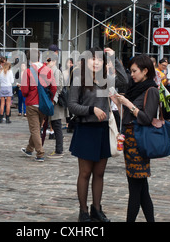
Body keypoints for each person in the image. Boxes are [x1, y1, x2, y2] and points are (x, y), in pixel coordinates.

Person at [68, 47, 127, 222]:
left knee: (99, 173)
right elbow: (71, 105)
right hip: (86, 129)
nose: (96, 62)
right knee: (85, 173)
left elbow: (124, 81)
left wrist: (114, 58)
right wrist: (91, 110)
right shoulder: (79, 79)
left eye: (99, 59)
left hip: (102, 129)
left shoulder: (105, 80)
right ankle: (83, 211)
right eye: (92, 59)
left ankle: (96, 209)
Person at [111, 54, 157, 222]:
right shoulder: (136, 88)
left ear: (145, 71)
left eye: (134, 71)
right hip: (131, 141)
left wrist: (128, 104)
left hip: (139, 142)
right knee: (141, 188)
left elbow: (146, 118)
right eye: (131, 71)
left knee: (135, 189)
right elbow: (130, 115)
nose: (132, 74)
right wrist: (119, 103)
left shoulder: (151, 89)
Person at [20, 48, 57, 162]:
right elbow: (54, 87)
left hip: (32, 103)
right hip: (43, 104)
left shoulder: (28, 71)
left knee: (35, 129)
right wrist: (50, 99)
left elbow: (25, 91)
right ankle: (29, 149)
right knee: (36, 128)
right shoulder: (47, 70)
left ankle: (40, 153)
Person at [46, 44, 65, 159]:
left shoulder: (56, 71)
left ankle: (59, 150)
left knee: (57, 125)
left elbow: (58, 87)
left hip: (55, 102)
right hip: (52, 101)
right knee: (54, 124)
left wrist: (53, 100)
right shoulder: (51, 70)